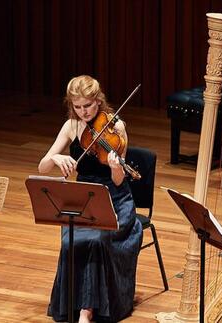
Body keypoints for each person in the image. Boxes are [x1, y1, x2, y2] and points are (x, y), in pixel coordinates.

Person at [38, 75, 143, 322]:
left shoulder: (115, 127)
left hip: (115, 199)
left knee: (97, 240)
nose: (83, 112)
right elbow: (42, 168)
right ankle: (76, 305)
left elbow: (119, 181)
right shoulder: (70, 126)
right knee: (71, 240)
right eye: (77, 107)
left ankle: (87, 311)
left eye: (88, 105)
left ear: (98, 101)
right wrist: (55, 159)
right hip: (81, 199)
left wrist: (116, 166)